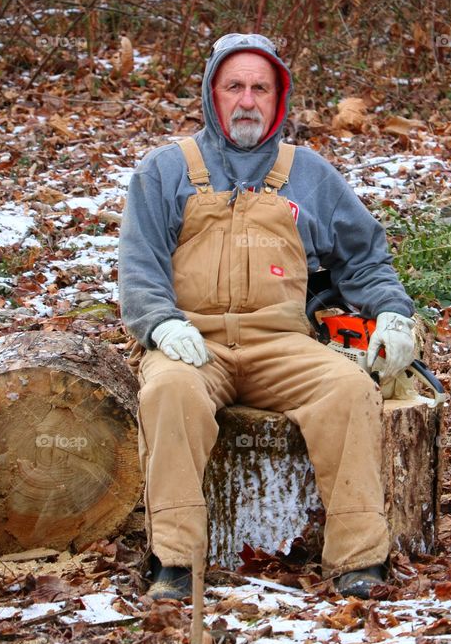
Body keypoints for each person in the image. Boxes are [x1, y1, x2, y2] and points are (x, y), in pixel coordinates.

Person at [118, 32, 417, 601]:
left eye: (261, 87)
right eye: (234, 86)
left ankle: (359, 559)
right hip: (192, 344)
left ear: (279, 98)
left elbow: (365, 257)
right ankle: (175, 564)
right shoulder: (165, 170)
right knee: (168, 395)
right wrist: (160, 323)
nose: (247, 100)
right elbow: (138, 265)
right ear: (213, 94)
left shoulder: (308, 174)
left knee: (350, 390)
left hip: (281, 345)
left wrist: (393, 315)